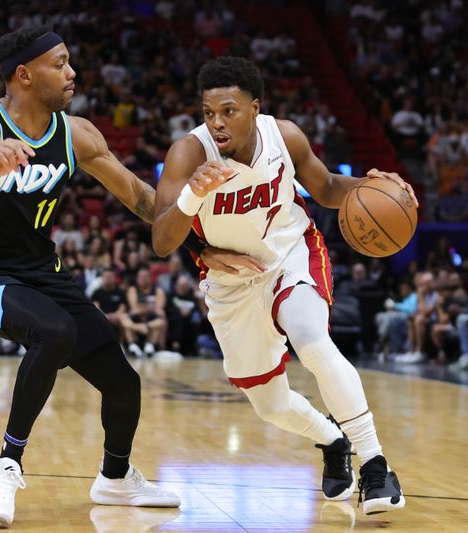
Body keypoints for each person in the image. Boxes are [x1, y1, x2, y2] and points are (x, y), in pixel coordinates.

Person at [0, 26, 222, 524]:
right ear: (24, 74)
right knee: (54, 332)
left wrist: (202, 239)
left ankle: (116, 479)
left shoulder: (76, 133)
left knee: (123, 382)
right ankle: (7, 464)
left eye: (69, 61)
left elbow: (140, 197)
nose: (71, 72)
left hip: (43, 272)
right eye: (59, 63)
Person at [152, 57, 416, 515]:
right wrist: (193, 195)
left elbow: (328, 187)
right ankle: (333, 440)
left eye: (229, 111)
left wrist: (372, 186)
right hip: (232, 281)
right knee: (270, 406)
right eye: (208, 112)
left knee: (311, 341)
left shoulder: (284, 136)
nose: (216, 123)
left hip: (291, 252)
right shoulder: (188, 154)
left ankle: (375, 465)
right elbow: (160, 240)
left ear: (255, 108)